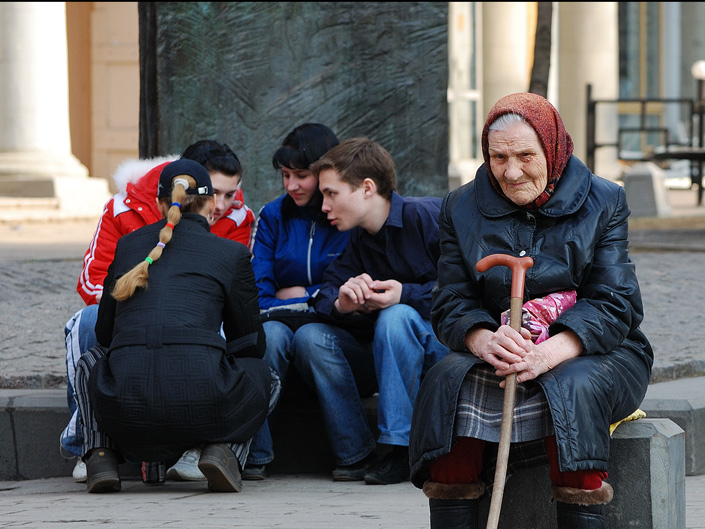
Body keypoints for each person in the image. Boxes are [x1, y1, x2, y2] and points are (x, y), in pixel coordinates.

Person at [407, 93, 653, 529]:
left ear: (553, 148)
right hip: (499, 343)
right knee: (449, 379)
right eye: (499, 157)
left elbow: (617, 302)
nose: (512, 172)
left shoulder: (604, 200)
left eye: (525, 156)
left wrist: (549, 351)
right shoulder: (460, 206)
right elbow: (450, 300)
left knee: (572, 385)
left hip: (593, 348)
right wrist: (483, 339)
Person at [75, 159, 276, 493]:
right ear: (212, 204)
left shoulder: (128, 247)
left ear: (158, 204)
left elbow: (104, 334)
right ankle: (222, 451)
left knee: (89, 361)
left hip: (126, 411)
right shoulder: (231, 253)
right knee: (266, 374)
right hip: (205, 407)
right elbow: (250, 342)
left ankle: (100, 455)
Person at [295, 137, 449, 485]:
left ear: (367, 188)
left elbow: (467, 288)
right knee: (310, 337)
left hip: (444, 355)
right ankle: (356, 453)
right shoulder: (360, 238)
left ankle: (401, 449)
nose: (324, 207)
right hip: (386, 360)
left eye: (332, 194)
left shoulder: (425, 216)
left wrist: (404, 295)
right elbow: (327, 291)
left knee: (396, 317)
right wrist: (342, 303)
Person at [242, 123, 349, 480]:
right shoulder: (273, 216)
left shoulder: (345, 216)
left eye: (301, 175)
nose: (291, 186)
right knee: (270, 336)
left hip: (336, 333)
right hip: (279, 327)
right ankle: (255, 455)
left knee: (309, 337)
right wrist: (317, 294)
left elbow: (347, 290)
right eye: (286, 175)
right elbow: (259, 292)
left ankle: (354, 455)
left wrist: (301, 295)